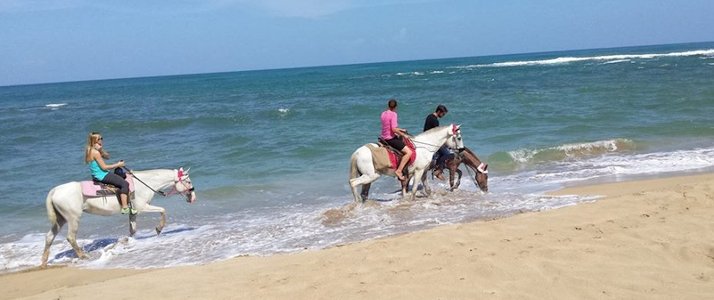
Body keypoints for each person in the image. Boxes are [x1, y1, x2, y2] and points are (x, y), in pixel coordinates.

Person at [84, 132, 135, 214]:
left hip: (97, 175)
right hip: (102, 175)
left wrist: (100, 149)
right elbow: (104, 167)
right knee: (125, 184)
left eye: (101, 138)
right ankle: (125, 207)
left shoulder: (90, 150)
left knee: (120, 174)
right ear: (94, 141)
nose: (101, 140)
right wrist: (119, 164)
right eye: (99, 139)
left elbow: (107, 157)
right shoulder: (95, 153)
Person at [380, 98, 412, 181]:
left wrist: (401, 129)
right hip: (390, 139)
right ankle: (399, 170)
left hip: (383, 137)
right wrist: (404, 135)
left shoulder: (383, 113)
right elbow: (394, 129)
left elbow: (388, 127)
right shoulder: (394, 114)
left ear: (388, 105)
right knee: (409, 152)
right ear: (395, 107)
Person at [423, 105, 450, 180]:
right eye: (443, 114)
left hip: (426, 138)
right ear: (439, 112)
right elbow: (437, 135)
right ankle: (438, 171)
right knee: (447, 154)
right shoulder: (435, 120)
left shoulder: (429, 116)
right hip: (431, 142)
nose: (443, 115)